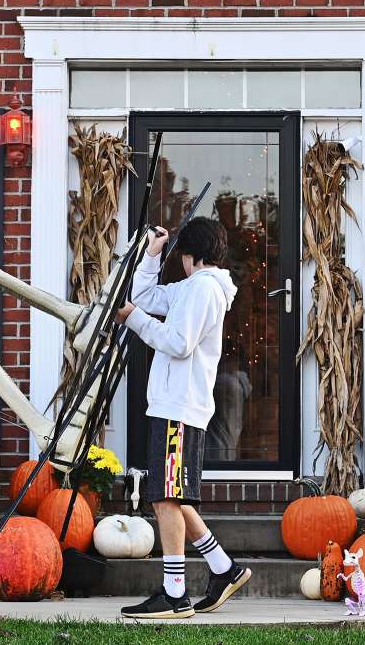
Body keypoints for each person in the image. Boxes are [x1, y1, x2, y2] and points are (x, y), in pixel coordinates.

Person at [115, 217, 248, 619]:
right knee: (173, 493)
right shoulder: (194, 288)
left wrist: (132, 320)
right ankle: (224, 569)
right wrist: (151, 256)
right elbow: (146, 295)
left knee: (164, 496)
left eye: (180, 256)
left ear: (191, 256)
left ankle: (174, 593)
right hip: (175, 404)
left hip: (179, 406)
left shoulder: (203, 290)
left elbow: (177, 342)